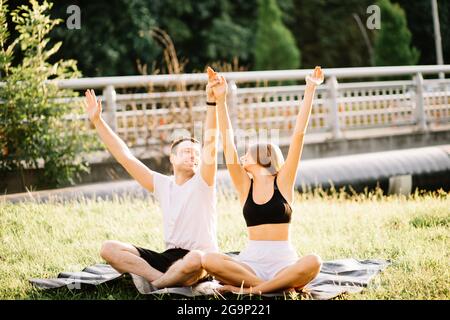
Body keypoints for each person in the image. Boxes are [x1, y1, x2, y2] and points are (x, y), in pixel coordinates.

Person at [83, 67, 221, 289]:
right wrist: (98, 121)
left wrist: (212, 103)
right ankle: (161, 279)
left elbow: (212, 143)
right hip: (167, 259)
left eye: (196, 153)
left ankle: (159, 283)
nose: (193, 156)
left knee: (194, 261)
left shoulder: (204, 182)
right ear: (172, 159)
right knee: (108, 248)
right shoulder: (162, 184)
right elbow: (125, 157)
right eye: (186, 151)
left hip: (198, 260)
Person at [201, 67, 325, 294]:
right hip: (251, 264)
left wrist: (310, 88)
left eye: (247, 154)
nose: (241, 157)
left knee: (314, 261)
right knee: (208, 260)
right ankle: (275, 288)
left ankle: (249, 291)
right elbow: (227, 143)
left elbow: (299, 135)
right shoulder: (244, 185)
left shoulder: (283, 181)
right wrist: (221, 99)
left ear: (262, 158)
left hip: (283, 263)